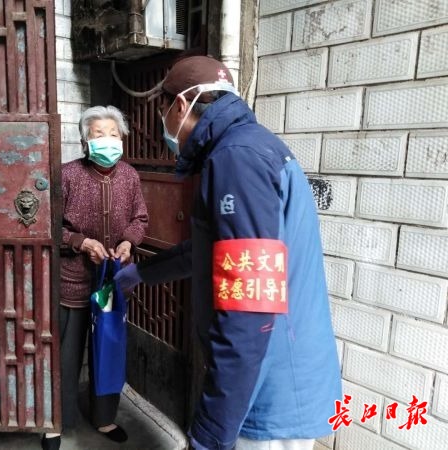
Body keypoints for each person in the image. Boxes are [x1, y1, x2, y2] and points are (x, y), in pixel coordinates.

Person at [114, 56, 342, 450]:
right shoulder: (253, 146)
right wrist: (142, 273)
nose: (163, 123)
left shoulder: (237, 158)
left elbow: (248, 310)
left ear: (180, 105)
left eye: (162, 110)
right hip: (279, 371)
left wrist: (210, 435)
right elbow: (212, 252)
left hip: (268, 384)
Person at [42, 105, 148, 450]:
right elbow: (48, 225)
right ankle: (56, 422)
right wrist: (80, 242)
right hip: (72, 280)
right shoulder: (67, 175)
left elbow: (140, 219)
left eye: (113, 134)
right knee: (66, 356)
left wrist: (128, 242)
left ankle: (104, 418)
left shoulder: (130, 176)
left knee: (108, 351)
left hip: (112, 282)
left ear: (122, 139)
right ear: (85, 141)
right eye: (98, 134)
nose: (107, 140)